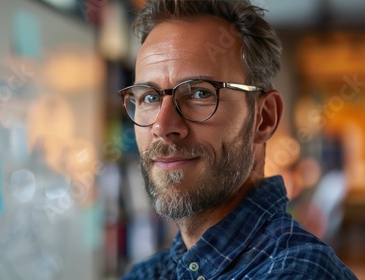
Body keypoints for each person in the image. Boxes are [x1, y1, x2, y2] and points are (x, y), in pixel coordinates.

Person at [118, 0, 358, 279]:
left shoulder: (298, 271)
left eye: (200, 93)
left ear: (264, 118)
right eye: (149, 97)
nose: (162, 125)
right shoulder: (146, 274)